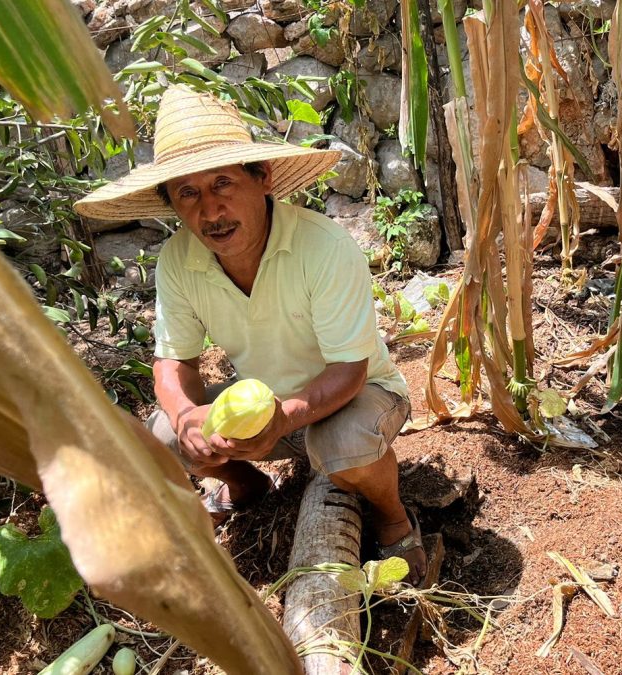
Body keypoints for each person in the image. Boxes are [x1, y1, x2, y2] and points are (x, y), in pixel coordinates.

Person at [74, 85, 426, 583]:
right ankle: (246, 486)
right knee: (161, 435)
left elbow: (350, 370)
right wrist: (187, 416)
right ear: (172, 204)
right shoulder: (178, 260)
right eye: (188, 193)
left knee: (344, 442)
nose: (210, 211)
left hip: (361, 395)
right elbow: (175, 362)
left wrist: (282, 420)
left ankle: (393, 518)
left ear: (262, 178)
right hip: (271, 407)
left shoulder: (322, 247)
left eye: (222, 183)